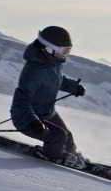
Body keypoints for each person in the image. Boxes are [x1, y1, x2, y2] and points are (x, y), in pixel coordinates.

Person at [10, 26, 87, 168]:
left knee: (67, 137)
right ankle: (53, 157)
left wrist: (73, 87)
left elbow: (57, 80)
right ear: (49, 48)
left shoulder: (52, 64)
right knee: (58, 137)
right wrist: (31, 122)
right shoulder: (34, 72)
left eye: (67, 51)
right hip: (27, 118)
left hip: (46, 112)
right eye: (63, 51)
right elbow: (22, 100)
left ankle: (70, 156)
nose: (65, 55)